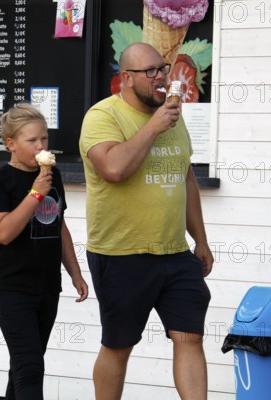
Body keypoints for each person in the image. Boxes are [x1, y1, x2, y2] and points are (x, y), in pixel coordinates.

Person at [79, 42, 214, 400]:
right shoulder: (103, 116)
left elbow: (185, 178)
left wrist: (200, 240)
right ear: (126, 78)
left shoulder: (173, 115)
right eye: (150, 71)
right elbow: (113, 169)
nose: (160, 77)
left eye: (163, 68)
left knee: (190, 337)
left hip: (174, 252)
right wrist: (153, 127)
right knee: (119, 344)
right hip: (122, 252)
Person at [0, 103, 89, 399]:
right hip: (12, 286)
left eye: (44, 139)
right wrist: (35, 194)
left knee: (23, 367)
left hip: (47, 285)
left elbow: (59, 224)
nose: (41, 146)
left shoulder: (53, 176)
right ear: (10, 144)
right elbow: (4, 232)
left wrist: (76, 273)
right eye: (32, 141)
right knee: (30, 368)